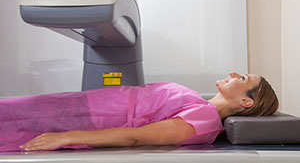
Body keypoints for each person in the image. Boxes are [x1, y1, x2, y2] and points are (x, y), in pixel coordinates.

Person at [0, 72, 278, 152]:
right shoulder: (200, 105)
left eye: (242, 79)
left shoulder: (204, 121)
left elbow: (138, 137)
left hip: (85, 118)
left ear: (246, 103)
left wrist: (66, 137)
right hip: (84, 106)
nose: (233, 73)